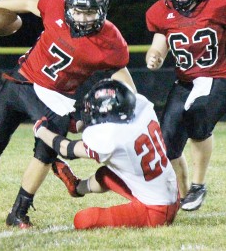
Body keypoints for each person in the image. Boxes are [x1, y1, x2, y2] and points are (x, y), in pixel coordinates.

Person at [0, 0, 137, 228]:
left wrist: (133, 101)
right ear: (67, 5)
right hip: (23, 82)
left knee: (43, 154)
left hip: (59, 99)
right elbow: (30, 4)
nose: (84, 18)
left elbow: (119, 70)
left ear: (103, 10)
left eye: (90, 12)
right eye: (78, 11)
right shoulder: (54, 1)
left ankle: (18, 210)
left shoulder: (110, 41)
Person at [33, 79, 180, 229]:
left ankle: (80, 190)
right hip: (170, 192)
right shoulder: (142, 107)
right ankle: (77, 187)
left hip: (156, 211)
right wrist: (78, 126)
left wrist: (40, 130)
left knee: (83, 220)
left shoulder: (112, 138)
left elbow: (67, 149)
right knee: (105, 174)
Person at [145, 0, 226, 211]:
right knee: (166, 142)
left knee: (198, 117)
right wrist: (155, 54)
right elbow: (162, 38)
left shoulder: (219, 2)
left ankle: (199, 185)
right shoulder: (161, 11)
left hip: (217, 75)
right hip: (185, 81)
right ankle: (183, 195)